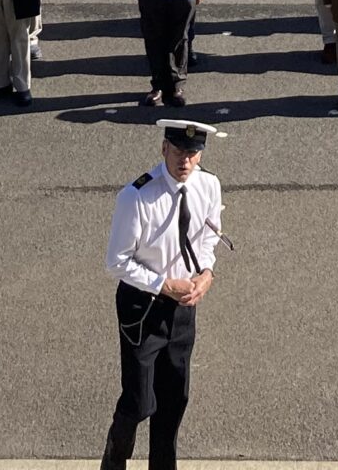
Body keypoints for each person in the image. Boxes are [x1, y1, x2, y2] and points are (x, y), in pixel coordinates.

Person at [102, 120, 226, 470]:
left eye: (192, 153)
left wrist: (207, 273)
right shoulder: (137, 196)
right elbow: (116, 262)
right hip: (143, 307)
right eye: (178, 151)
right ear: (163, 149)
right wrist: (163, 284)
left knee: (174, 399)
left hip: (182, 308)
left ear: (200, 155)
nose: (184, 160)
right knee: (140, 401)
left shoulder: (209, 185)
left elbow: (208, 237)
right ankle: (113, 461)